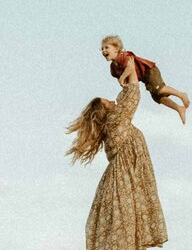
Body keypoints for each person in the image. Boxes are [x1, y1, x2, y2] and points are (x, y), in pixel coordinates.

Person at [67, 81, 168, 250]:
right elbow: (133, 96)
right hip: (123, 182)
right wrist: (129, 70)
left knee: (128, 227)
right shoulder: (115, 120)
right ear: (104, 111)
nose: (113, 102)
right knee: (127, 225)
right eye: (108, 103)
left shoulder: (112, 124)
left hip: (123, 180)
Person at [100, 35, 191, 123]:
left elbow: (130, 68)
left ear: (116, 48)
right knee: (157, 98)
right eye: (102, 49)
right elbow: (123, 81)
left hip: (149, 70)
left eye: (106, 47)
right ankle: (179, 108)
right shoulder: (113, 68)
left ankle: (181, 94)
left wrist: (122, 78)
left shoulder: (124, 56)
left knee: (159, 89)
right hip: (144, 78)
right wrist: (124, 86)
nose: (104, 51)